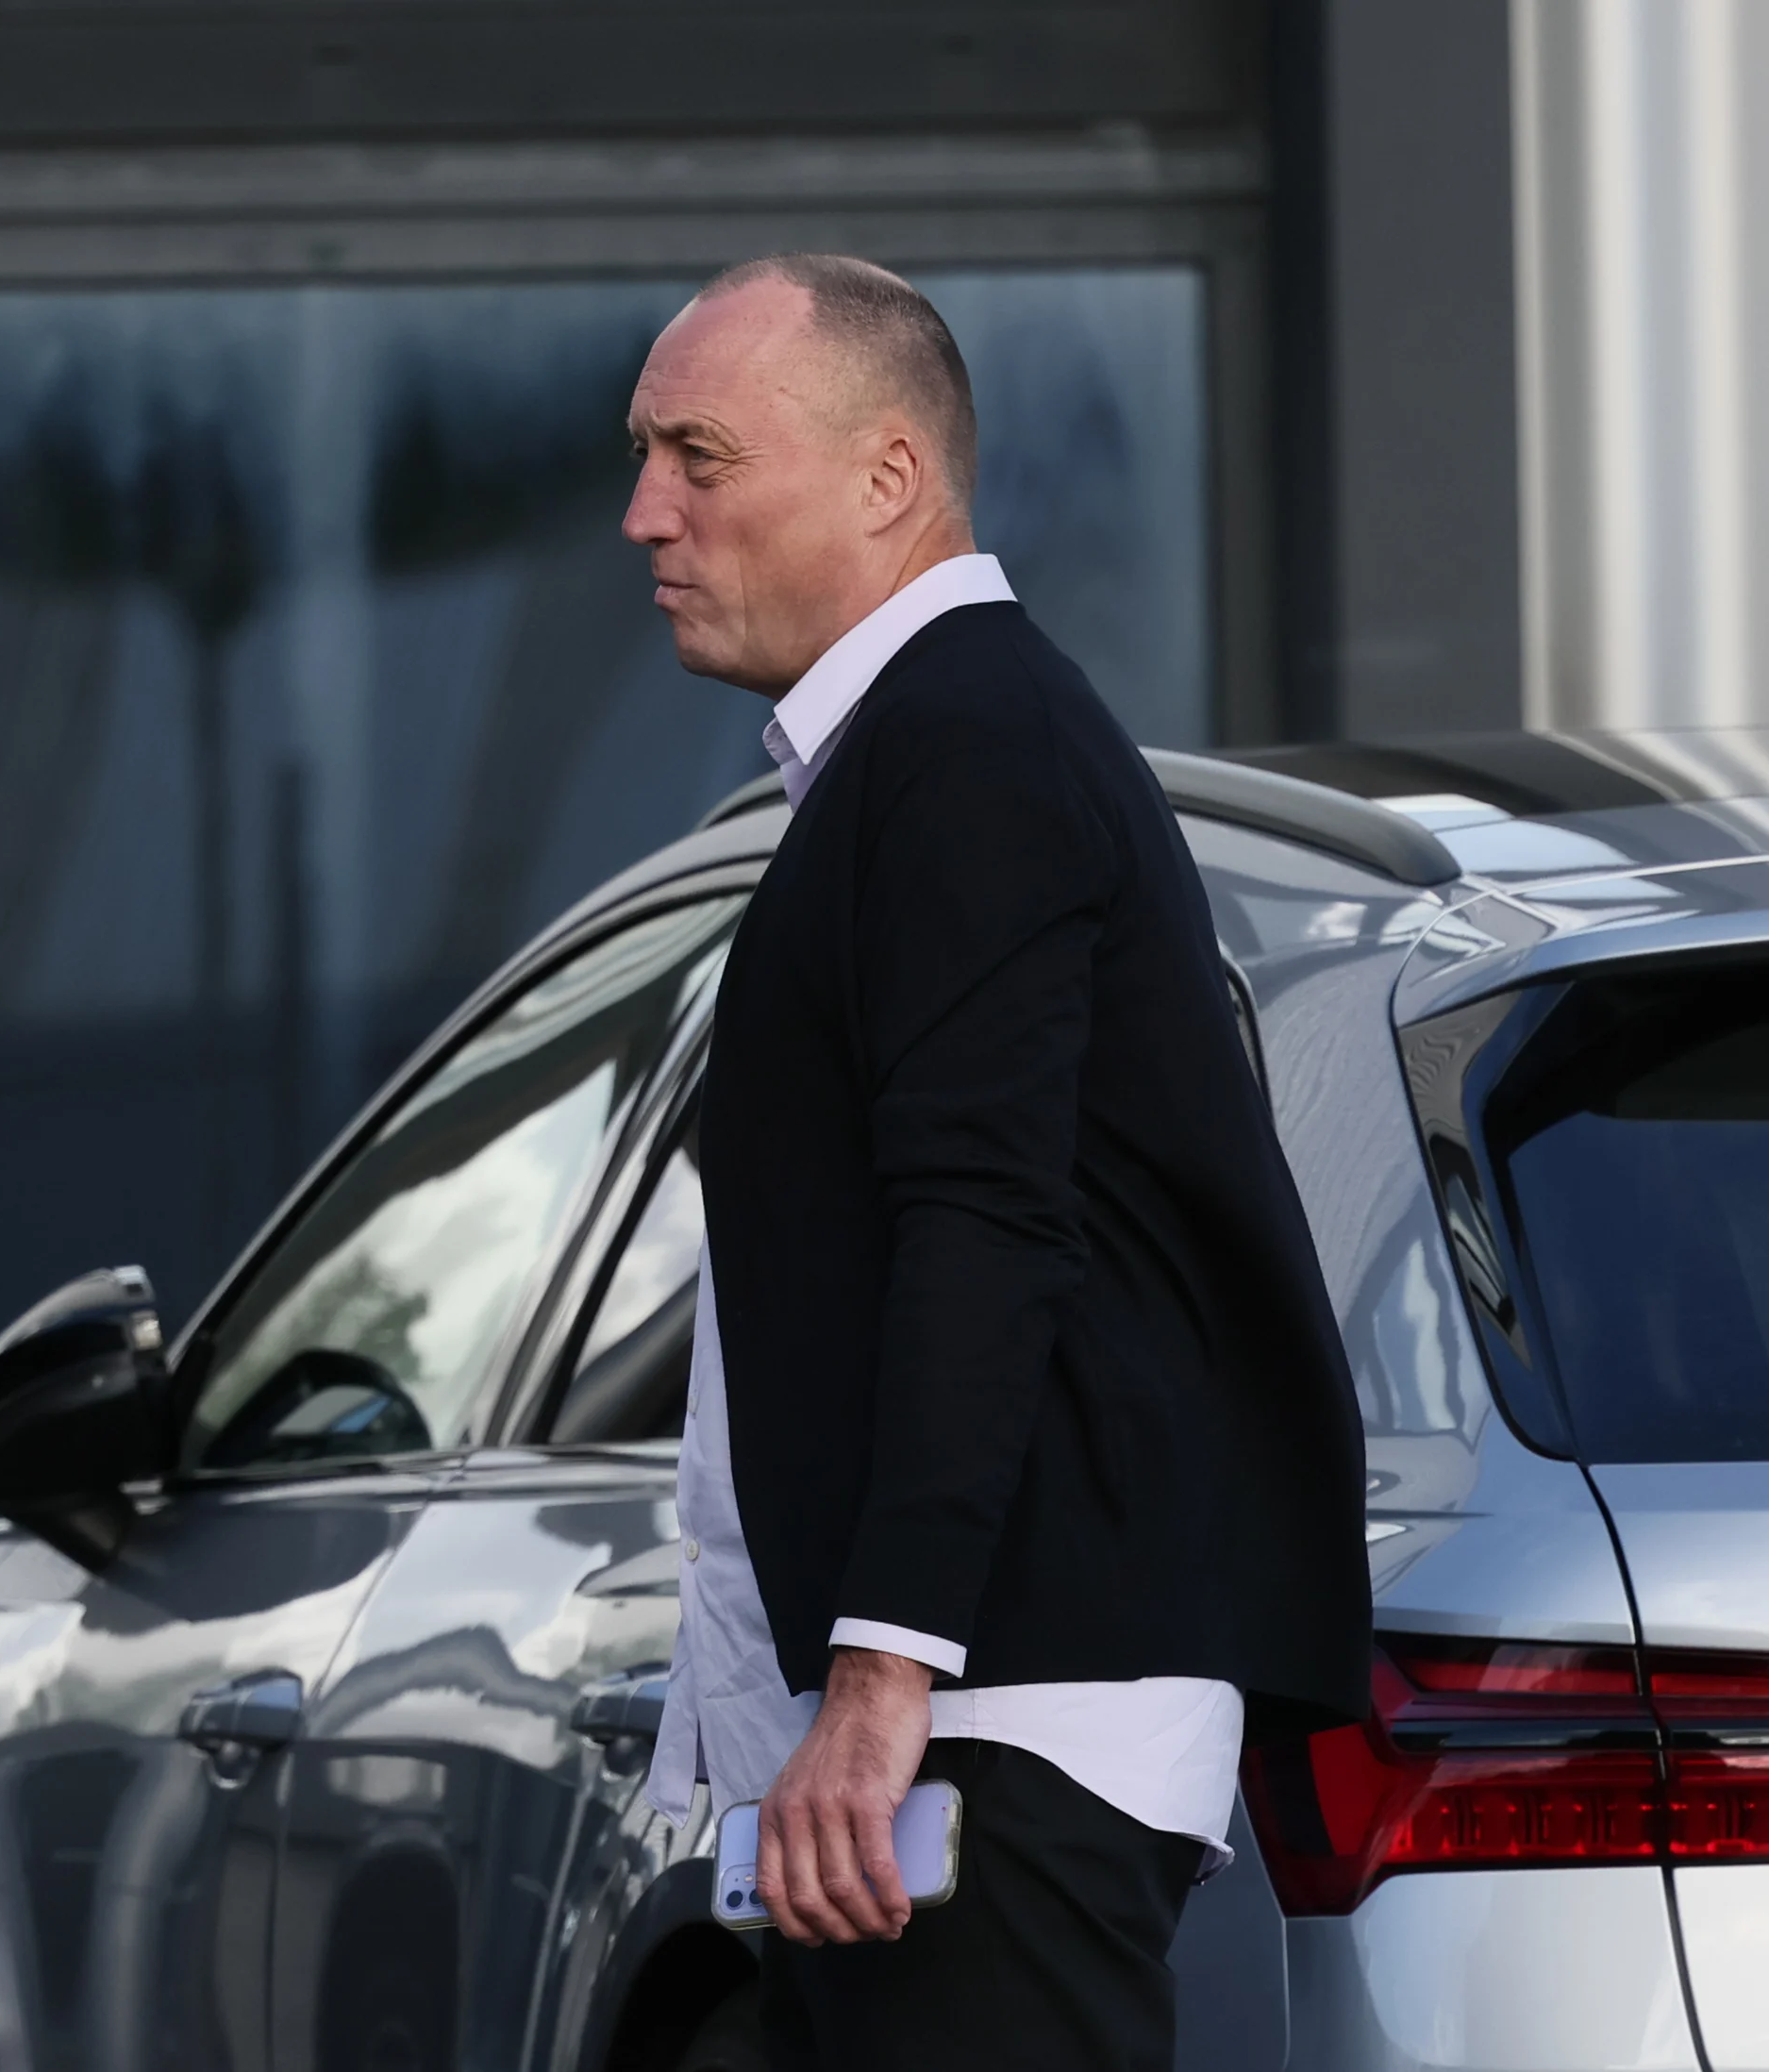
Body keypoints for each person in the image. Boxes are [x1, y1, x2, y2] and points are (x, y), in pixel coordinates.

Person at [623, 254, 1367, 2067]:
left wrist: (886, 1679)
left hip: (993, 1740)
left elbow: (988, 1215)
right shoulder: (935, 748)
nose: (646, 513)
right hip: (960, 1738)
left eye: (700, 458)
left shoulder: (968, 750)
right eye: (646, 457)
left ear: (888, 477)